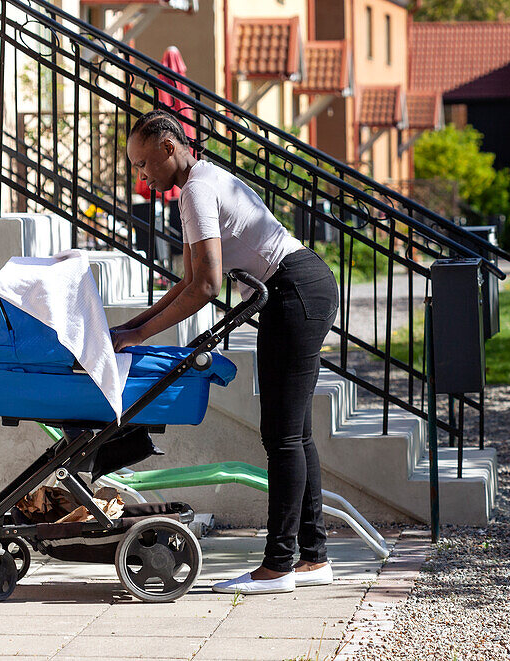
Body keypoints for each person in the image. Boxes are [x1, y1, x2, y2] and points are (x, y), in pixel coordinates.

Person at [110, 110, 339, 594]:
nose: (141, 174)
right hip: (300, 288)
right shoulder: (200, 183)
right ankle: (313, 558)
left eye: (143, 162)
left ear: (168, 147)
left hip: (295, 289)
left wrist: (142, 335)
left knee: (281, 436)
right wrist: (132, 327)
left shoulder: (195, 190)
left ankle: (278, 565)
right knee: (294, 432)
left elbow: (208, 286)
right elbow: (189, 282)